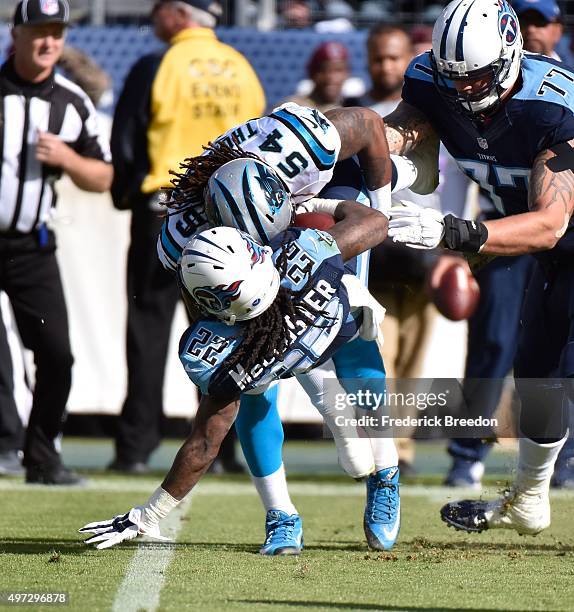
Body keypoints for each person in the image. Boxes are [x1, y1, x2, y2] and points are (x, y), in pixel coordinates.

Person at [157, 102, 424, 553]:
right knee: (248, 375)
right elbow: (214, 332)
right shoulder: (183, 241)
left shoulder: (300, 146)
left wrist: (377, 210)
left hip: (312, 207)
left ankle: (386, 471)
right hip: (237, 266)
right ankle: (280, 513)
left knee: (354, 330)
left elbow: (367, 123)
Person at [80, 195, 392, 550]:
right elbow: (373, 221)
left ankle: (386, 471)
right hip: (303, 329)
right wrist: (317, 204)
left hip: (335, 328)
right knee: (276, 410)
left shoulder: (233, 342)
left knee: (356, 446)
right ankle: (282, 514)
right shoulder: (302, 258)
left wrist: (148, 515)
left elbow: (203, 445)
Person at [384, 0, 574, 536]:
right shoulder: (430, 81)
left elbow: (549, 223)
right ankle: (530, 496)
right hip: (548, 253)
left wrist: (454, 234)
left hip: (551, 233)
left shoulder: (552, 107)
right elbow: (397, 131)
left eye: (478, 78)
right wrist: (329, 150)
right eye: (454, 80)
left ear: (512, 56)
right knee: (536, 374)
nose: (465, 91)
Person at [109, 0, 265, 474]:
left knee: (148, 327)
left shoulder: (157, 64)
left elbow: (127, 139)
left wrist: (125, 194)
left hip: (165, 214)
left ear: (180, 13)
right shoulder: (242, 68)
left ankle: (136, 447)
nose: (155, 17)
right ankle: (226, 448)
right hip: (229, 217)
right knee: (230, 329)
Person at [441, 0, 564, 489]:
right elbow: (455, 166)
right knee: (493, 343)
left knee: (557, 355)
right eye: (527, 18)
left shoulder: (559, 95)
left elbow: (553, 217)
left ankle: (561, 460)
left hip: (554, 236)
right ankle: (466, 452)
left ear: (556, 28)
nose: (534, 30)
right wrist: (450, 234)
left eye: (541, 20)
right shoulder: (460, 84)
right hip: (498, 230)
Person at [0, 0, 112, 484]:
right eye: (39, 31)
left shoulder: (71, 102)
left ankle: (42, 456)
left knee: (56, 352)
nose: (48, 42)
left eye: (57, 33)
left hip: (31, 247)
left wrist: (66, 157)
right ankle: (5, 445)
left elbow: (103, 176)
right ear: (16, 34)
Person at [345, 24, 442, 477]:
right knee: (377, 350)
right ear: (367, 59)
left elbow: (453, 182)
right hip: (375, 251)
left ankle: (400, 449)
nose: (386, 66)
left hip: (424, 247)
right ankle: (378, 445)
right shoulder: (356, 114)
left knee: (414, 359)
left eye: (394, 58)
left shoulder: (435, 109)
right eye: (379, 58)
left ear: (409, 58)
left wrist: (452, 249)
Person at [282, 41, 350, 114]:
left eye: (338, 70)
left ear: (347, 73)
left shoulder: (354, 110)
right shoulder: (292, 109)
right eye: (323, 70)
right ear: (311, 72)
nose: (330, 77)